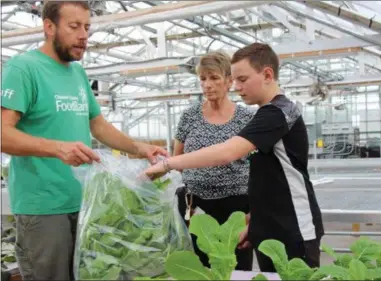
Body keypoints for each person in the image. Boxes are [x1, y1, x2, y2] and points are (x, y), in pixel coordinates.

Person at [1, 1, 167, 280]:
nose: (83, 35)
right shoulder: (24, 68)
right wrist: (57, 148)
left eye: (87, 27)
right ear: (49, 27)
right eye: (74, 26)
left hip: (86, 201)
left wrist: (139, 148)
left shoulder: (77, 72)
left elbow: (97, 124)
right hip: (43, 208)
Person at [144, 43, 324, 271]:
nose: (237, 87)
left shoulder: (277, 113)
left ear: (267, 74)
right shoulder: (266, 114)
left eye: (242, 79)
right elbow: (267, 180)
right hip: (270, 225)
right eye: (235, 80)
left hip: (294, 227)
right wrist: (257, 221)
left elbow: (227, 152)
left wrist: (167, 164)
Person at [173, 51, 255, 270]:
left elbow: (260, 168)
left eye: (214, 78)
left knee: (236, 266)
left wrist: (253, 212)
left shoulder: (247, 118)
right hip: (196, 204)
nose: (207, 85)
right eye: (203, 78)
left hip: (236, 206)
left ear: (229, 81)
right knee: (199, 267)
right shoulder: (189, 116)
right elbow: (177, 159)